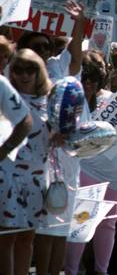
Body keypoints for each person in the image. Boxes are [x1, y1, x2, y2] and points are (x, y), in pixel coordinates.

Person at [64, 50, 117, 275]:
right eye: (84, 76)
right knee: (80, 225)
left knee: (107, 225)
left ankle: (102, 271)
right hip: (83, 170)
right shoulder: (71, 98)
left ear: (102, 76)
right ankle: (71, 271)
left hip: (112, 173)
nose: (88, 82)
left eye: (93, 76)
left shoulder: (113, 99)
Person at [0, 64, 35, 275]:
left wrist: (5, 150)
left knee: (6, 238)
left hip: (6, 173)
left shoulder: (1, 84)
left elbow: (25, 121)